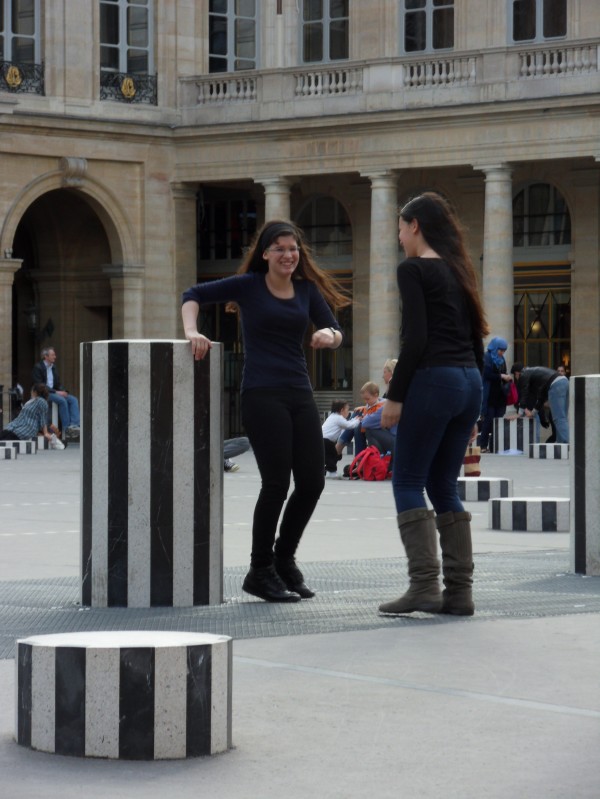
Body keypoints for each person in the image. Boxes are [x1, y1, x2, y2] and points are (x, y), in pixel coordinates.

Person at [182, 219, 349, 602]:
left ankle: (283, 560)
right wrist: (192, 331)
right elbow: (192, 294)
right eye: (280, 249)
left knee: (312, 482)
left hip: (299, 393)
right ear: (266, 253)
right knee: (276, 484)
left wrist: (330, 336)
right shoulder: (249, 286)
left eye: (293, 249)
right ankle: (260, 570)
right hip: (262, 394)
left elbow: (335, 328)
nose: (288, 255)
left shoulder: (306, 290)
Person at [378, 192, 488, 617]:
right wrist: (475, 408)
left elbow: (416, 339)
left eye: (400, 229)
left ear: (415, 226)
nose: (399, 237)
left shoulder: (413, 269)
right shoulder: (460, 268)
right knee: (443, 485)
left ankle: (424, 585)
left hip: (434, 380)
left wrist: (395, 396)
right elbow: (476, 338)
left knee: (407, 481)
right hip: (468, 381)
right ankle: (459, 593)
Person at [31, 347, 80, 439]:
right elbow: (39, 385)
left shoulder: (53, 367)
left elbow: (58, 383)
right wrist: (57, 392)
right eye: (53, 355)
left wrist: (64, 391)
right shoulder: (38, 367)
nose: (55, 357)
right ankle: (66, 428)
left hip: (54, 392)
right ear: (46, 356)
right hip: (43, 393)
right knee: (62, 400)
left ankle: (74, 425)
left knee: (73, 400)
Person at [515, 365, 569, 443]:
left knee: (559, 418)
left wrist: (520, 412)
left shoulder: (524, 374)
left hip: (556, 384)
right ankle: (562, 444)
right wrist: (533, 412)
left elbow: (524, 392)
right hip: (565, 381)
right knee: (562, 417)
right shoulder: (539, 377)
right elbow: (541, 397)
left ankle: (566, 444)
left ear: (517, 373)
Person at [479, 336, 513, 452]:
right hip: (490, 395)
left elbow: (503, 372)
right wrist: (501, 376)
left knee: (498, 421)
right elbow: (486, 374)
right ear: (495, 348)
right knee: (488, 420)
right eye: (500, 350)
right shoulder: (487, 357)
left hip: (500, 395)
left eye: (504, 350)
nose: (502, 352)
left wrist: (506, 377)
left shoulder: (501, 359)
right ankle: (483, 445)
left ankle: (494, 446)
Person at [335, 382, 384, 457]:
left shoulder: (380, 407)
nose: (366, 402)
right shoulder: (371, 404)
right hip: (367, 426)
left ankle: (342, 446)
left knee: (357, 426)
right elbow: (369, 410)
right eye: (364, 399)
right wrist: (364, 408)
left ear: (376, 395)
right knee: (357, 412)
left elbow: (370, 420)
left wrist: (360, 419)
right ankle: (341, 443)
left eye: (367, 399)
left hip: (375, 429)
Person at [322, 400, 360, 477]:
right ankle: (332, 472)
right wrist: (358, 420)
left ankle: (324, 470)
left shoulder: (332, 416)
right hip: (327, 441)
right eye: (347, 410)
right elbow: (349, 426)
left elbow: (347, 424)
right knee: (333, 456)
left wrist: (354, 420)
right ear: (342, 410)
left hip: (322, 439)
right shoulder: (338, 418)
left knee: (328, 456)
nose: (348, 412)